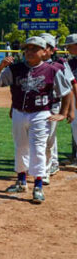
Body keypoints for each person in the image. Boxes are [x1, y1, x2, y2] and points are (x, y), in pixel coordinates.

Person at [0, 36, 73, 203]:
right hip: (19, 112)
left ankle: (38, 185)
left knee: (38, 148)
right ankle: (21, 180)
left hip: (41, 114)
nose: (29, 52)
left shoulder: (52, 70)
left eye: (34, 49)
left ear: (44, 52)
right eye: (27, 48)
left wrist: (63, 113)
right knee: (20, 147)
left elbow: (66, 91)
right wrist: (1, 67)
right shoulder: (15, 68)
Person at [38, 33, 75, 183]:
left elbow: (70, 86)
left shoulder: (60, 63)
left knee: (49, 138)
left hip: (53, 104)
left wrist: (69, 109)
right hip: (36, 106)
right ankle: (49, 164)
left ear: (51, 49)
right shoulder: (32, 62)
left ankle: (49, 167)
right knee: (43, 138)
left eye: (44, 46)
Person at [63, 34, 77, 167]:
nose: (67, 48)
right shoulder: (71, 63)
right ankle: (75, 157)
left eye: (69, 46)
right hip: (74, 101)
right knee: (75, 129)